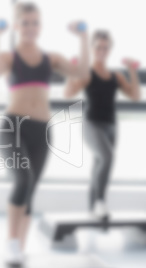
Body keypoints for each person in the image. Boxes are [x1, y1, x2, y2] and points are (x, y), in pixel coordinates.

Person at [0, 2, 89, 266]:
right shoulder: (11, 57)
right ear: (18, 25)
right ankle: (11, 241)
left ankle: (19, 248)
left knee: (31, 188)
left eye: (35, 23)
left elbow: (81, 72)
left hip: (42, 130)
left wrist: (83, 38)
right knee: (23, 179)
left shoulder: (51, 58)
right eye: (25, 23)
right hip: (13, 127)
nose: (30, 27)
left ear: (40, 26)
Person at [65, 30, 140, 220]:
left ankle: (92, 210)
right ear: (92, 48)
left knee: (100, 164)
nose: (102, 51)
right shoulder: (87, 73)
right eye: (98, 47)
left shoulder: (116, 76)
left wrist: (131, 69)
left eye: (105, 48)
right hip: (92, 124)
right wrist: (71, 72)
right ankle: (100, 202)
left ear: (109, 50)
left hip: (112, 126)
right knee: (107, 157)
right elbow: (68, 93)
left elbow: (135, 96)